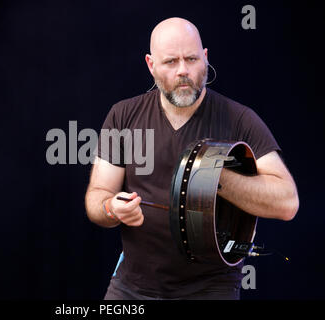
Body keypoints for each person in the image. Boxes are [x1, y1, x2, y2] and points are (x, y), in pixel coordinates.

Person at [84, 17, 299, 300]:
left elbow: (287, 203)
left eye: (192, 59)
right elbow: (97, 197)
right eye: (171, 62)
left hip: (211, 287)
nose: (183, 71)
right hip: (132, 287)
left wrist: (211, 177)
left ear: (205, 58)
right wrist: (112, 208)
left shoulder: (240, 119)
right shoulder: (123, 116)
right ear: (151, 65)